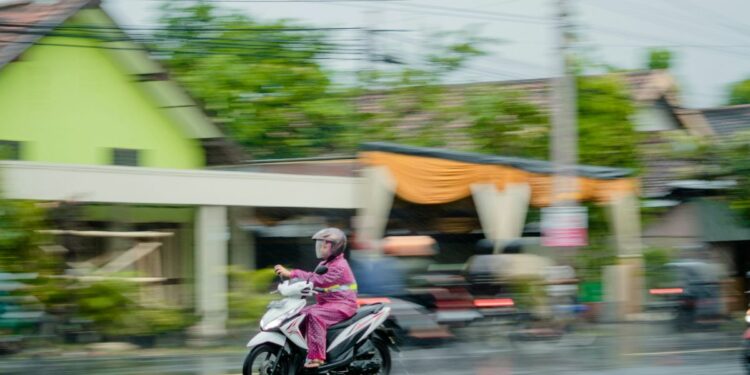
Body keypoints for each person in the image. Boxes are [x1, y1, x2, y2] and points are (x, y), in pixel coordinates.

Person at [274, 228, 358, 369]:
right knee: (298, 314)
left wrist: (291, 273)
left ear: (336, 247)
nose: (320, 248)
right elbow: (311, 280)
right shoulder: (324, 264)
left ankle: (317, 358)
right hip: (328, 304)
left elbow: (318, 280)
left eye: (324, 245)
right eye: (319, 244)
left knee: (314, 315)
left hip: (343, 304)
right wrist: (290, 286)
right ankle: (300, 352)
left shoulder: (339, 266)